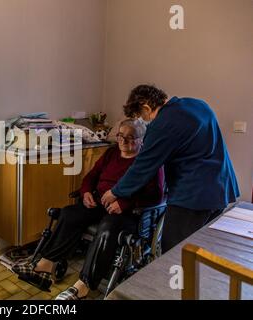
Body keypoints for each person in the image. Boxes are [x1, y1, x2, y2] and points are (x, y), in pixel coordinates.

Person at [12, 119, 164, 300]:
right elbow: (91, 177)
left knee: (108, 227)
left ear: (142, 140)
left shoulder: (149, 161)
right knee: (69, 213)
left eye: (131, 138)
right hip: (100, 202)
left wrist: (124, 204)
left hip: (127, 212)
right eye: (121, 136)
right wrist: (85, 193)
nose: (123, 141)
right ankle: (46, 265)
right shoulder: (111, 153)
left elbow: (156, 195)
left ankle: (84, 286)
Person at [102, 84, 240, 253]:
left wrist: (116, 192)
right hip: (221, 189)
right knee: (202, 250)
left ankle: (177, 280)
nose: (143, 121)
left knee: (174, 253)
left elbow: (142, 168)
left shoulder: (162, 124)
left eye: (141, 116)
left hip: (192, 197)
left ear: (146, 107)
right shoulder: (198, 105)